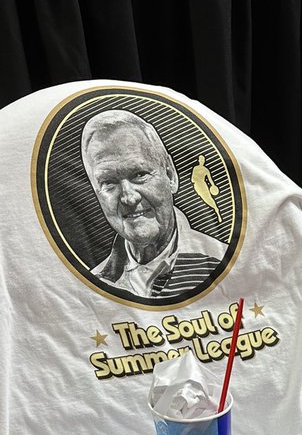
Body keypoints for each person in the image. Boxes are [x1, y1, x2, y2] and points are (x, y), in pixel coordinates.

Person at [81, 109, 226, 300]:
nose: (129, 198)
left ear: (170, 175)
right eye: (108, 182)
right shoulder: (89, 290)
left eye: (139, 174)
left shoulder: (227, 265)